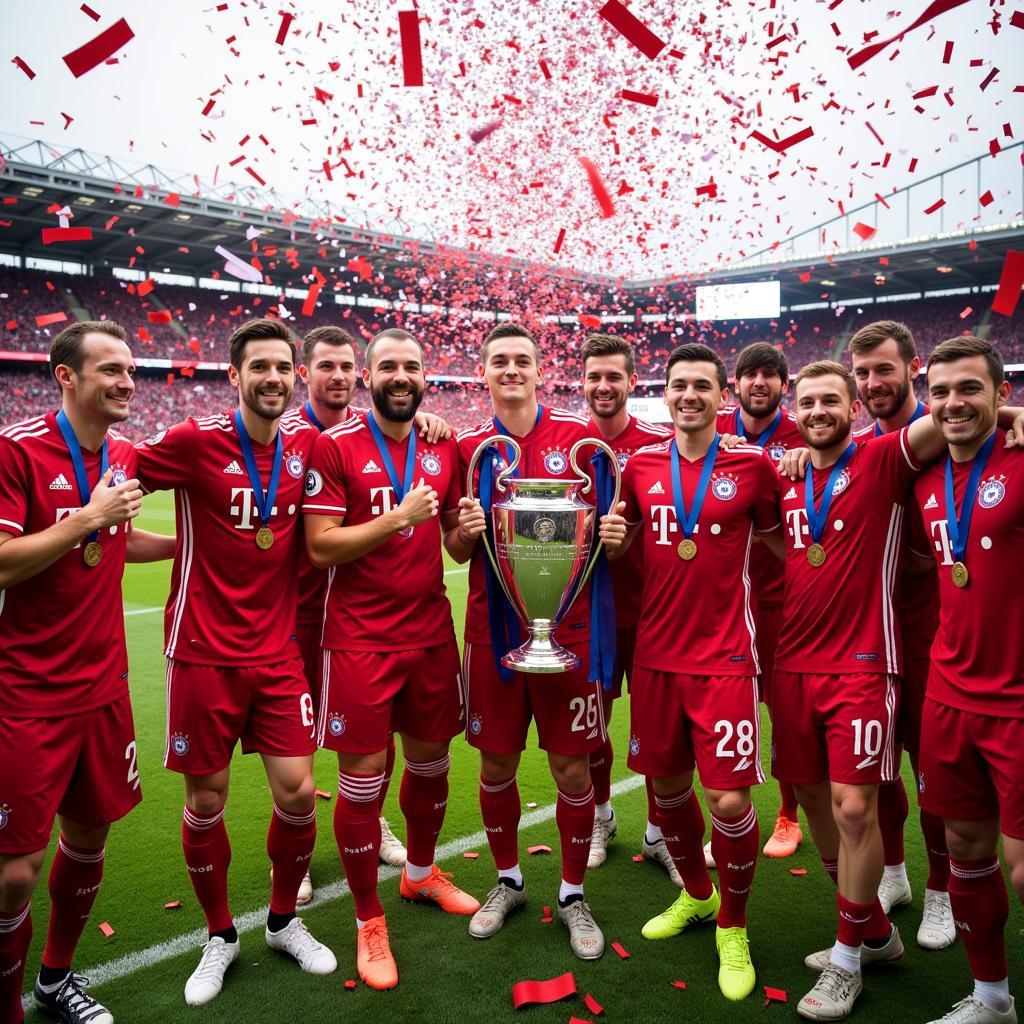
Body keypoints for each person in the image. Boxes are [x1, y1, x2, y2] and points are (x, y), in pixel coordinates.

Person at [772, 359, 988, 1021]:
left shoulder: (884, 458)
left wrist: (1007, 414)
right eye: (807, 402)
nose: (817, 412)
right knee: (811, 798)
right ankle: (874, 933)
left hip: (865, 664)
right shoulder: (781, 473)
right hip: (791, 664)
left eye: (831, 400)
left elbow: (954, 421)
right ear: (795, 407)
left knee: (855, 810)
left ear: (854, 405)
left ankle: (845, 959)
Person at [134, 318, 336, 1007]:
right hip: (201, 652)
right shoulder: (193, 442)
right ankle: (220, 935)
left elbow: (372, 431)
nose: (274, 378)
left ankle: (283, 919)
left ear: (296, 377)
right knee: (207, 799)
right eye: (260, 368)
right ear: (235, 375)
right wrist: (158, 543)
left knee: (299, 793)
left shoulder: (306, 443)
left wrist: (427, 425)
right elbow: (106, 472)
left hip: (277, 654)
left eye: (284, 367)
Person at [0, 321, 172, 1024]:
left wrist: (189, 545)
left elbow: (117, 541)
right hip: (25, 696)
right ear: (66, 376)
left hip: (104, 692)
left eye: (130, 370)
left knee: (88, 838)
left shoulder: (126, 450)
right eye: (109, 370)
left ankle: (55, 980)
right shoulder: (15, 450)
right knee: (14, 874)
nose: (126, 382)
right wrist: (87, 518)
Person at [601, 342, 783, 1002]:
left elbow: (776, 540)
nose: (689, 396)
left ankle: (732, 927)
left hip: (727, 658)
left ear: (722, 396)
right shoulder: (641, 465)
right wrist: (616, 546)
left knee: (729, 801)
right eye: (679, 385)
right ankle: (699, 897)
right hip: (654, 657)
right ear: (666, 392)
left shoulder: (754, 466)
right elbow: (625, 546)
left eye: (702, 386)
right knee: (667, 790)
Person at [304, 328, 478, 991]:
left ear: (424, 376)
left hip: (430, 631)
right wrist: (399, 518)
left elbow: (457, 549)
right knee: (363, 778)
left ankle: (419, 874)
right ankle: (367, 920)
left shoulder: (444, 444)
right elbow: (321, 546)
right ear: (368, 376)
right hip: (358, 638)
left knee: (432, 763)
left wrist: (465, 525)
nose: (401, 377)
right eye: (389, 368)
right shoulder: (336, 444)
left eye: (412, 367)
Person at [453, 323, 617, 960]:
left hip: (569, 633)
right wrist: (465, 531)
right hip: (493, 635)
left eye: (522, 360)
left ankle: (573, 894)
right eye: (500, 361)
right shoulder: (471, 448)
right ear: (485, 373)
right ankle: (510, 880)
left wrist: (618, 533)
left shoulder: (581, 441)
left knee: (571, 766)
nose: (511, 370)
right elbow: (453, 545)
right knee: (495, 765)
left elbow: (606, 531)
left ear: (540, 370)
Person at [908, 336, 1023, 1024]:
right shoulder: (923, 479)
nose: (954, 403)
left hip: (1018, 700)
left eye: (971, 389)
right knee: (966, 853)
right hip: (949, 697)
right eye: (941, 391)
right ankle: (991, 998)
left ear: (1001, 394)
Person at [288, 325, 407, 885]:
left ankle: (374, 819)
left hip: (356, 613)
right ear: (302, 373)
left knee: (371, 734)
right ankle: (299, 849)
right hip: (293, 610)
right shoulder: (286, 435)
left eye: (344, 367)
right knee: (295, 737)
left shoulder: (368, 432)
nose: (336, 376)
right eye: (325, 366)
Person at [847, 321, 952, 949]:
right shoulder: (859, 448)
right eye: (862, 373)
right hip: (872, 631)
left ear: (914, 366)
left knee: (931, 763)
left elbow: (977, 406)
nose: (871, 383)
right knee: (879, 765)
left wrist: (1010, 406)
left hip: (937, 627)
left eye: (883, 369)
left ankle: (941, 888)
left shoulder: (954, 431)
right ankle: (894, 873)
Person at [578, 332, 677, 881]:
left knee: (658, 727)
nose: (604, 386)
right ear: (583, 380)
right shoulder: (566, 442)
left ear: (632, 381)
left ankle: (660, 830)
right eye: (595, 376)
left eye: (614, 376)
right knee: (592, 726)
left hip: (653, 610)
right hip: (587, 612)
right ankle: (599, 815)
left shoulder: (660, 442)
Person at [714, 341, 806, 861]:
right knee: (724, 709)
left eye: (770, 375)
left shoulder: (802, 434)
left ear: (782, 385)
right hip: (722, 600)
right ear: (736, 383)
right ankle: (722, 817)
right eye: (749, 374)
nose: (759, 383)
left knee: (783, 710)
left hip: (777, 599)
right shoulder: (714, 427)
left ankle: (789, 815)